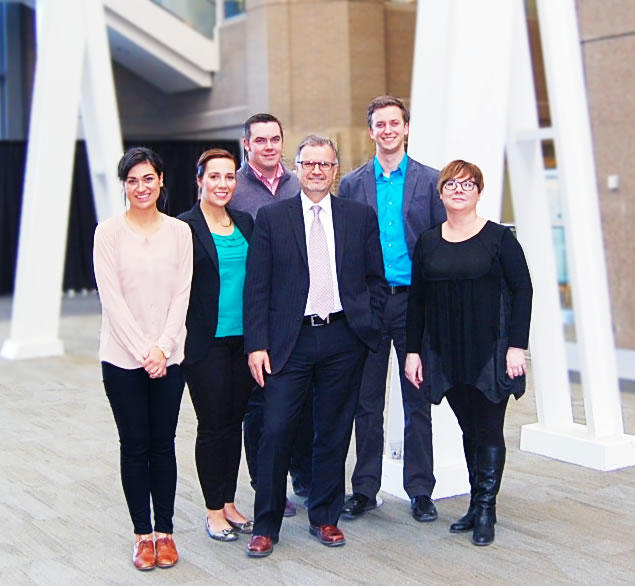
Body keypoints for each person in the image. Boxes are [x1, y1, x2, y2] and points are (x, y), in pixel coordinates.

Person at [243, 135, 387, 557]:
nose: (317, 171)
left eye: (325, 164)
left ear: (335, 169)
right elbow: (258, 288)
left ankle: (325, 517)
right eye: (309, 164)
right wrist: (257, 345)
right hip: (291, 341)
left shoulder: (358, 217)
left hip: (344, 338)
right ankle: (266, 524)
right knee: (276, 431)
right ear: (297, 168)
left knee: (335, 430)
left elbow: (376, 280)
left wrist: (368, 325)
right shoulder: (272, 218)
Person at [404, 159, 533, 546]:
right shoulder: (428, 241)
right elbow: (418, 303)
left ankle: (487, 511)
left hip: (491, 351)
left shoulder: (499, 239)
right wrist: (413, 352)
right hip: (445, 351)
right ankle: (476, 504)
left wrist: (517, 347)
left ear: (479, 191)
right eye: (451, 184)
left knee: (489, 429)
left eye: (468, 183)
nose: (459, 190)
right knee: (467, 429)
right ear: (440, 193)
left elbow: (523, 291)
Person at [338, 96, 445, 522]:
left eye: (394, 123)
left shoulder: (429, 180)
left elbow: (438, 246)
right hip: (369, 302)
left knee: (416, 398)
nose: (387, 130)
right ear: (371, 131)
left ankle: (420, 489)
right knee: (366, 401)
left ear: (405, 128)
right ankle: (364, 488)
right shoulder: (352, 184)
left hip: (412, 303)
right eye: (379, 124)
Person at [93, 147, 193, 570]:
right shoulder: (108, 232)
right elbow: (111, 300)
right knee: (134, 446)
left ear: (161, 181)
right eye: (132, 181)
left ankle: (165, 532)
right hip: (121, 359)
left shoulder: (179, 232)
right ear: (124, 186)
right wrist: (142, 351)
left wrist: (163, 348)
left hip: (170, 356)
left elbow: (182, 294)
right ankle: (142, 534)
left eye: (147, 179)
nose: (141, 187)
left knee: (163, 444)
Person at [230, 113, 312, 517]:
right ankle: (267, 487)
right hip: (257, 309)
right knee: (260, 407)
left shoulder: (298, 184)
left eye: (274, 138)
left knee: (300, 402)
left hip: (300, 311)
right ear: (247, 144)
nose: (268, 146)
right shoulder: (233, 189)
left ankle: (302, 477)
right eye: (259, 140)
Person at [178, 149, 254, 543]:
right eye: (215, 177)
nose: (222, 184)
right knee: (212, 425)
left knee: (234, 423)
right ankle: (212, 509)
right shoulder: (183, 228)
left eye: (229, 177)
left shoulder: (244, 223)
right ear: (200, 181)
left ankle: (228, 501)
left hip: (243, 342)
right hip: (204, 344)